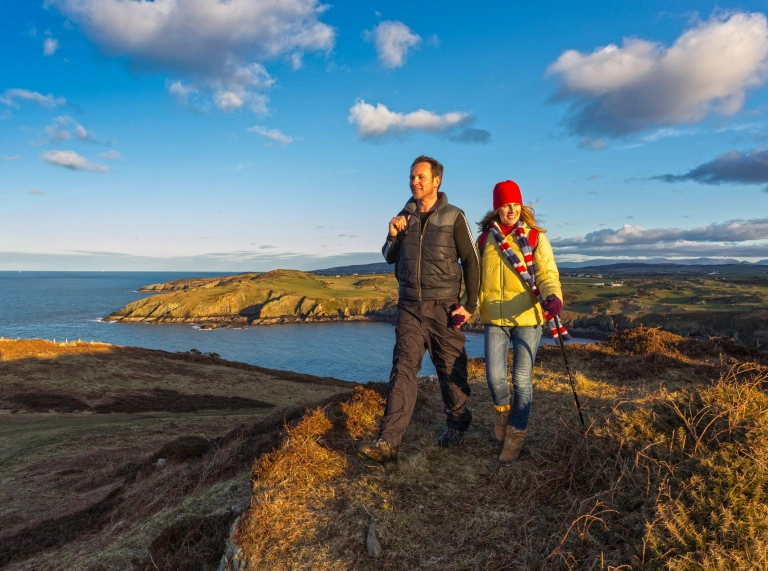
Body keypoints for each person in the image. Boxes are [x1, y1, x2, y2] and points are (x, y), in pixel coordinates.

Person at [356, 155, 480, 463]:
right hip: (409, 305)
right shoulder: (403, 216)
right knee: (403, 370)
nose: (414, 181)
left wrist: (470, 305)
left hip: (444, 306)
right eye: (412, 176)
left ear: (436, 181)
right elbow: (388, 256)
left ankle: (457, 422)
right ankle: (388, 442)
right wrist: (392, 235)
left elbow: (471, 261)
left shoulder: (454, 216)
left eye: (420, 177)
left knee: (449, 368)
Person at [476, 180, 564, 462]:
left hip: (528, 317)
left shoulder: (536, 237)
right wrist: (466, 306)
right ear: (497, 208)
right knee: (494, 378)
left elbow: (548, 273)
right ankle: (503, 415)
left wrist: (553, 296)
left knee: (522, 380)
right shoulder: (484, 240)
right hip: (494, 317)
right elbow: (474, 279)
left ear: (521, 206)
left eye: (515, 204)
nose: (511, 210)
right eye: (505, 205)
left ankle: (516, 436)